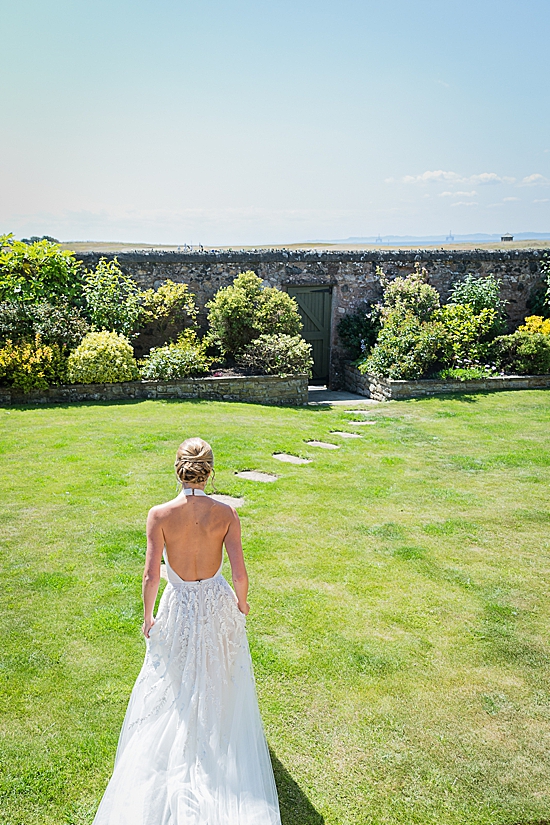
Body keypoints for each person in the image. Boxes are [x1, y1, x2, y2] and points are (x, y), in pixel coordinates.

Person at [93, 437, 281, 824]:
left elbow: (150, 575)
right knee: (217, 675)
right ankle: (213, 743)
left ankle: (182, 737)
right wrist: (241, 604)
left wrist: (148, 618)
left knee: (175, 681)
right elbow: (240, 574)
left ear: (177, 468)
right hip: (214, 601)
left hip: (178, 603)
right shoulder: (226, 513)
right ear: (209, 470)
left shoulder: (159, 514)